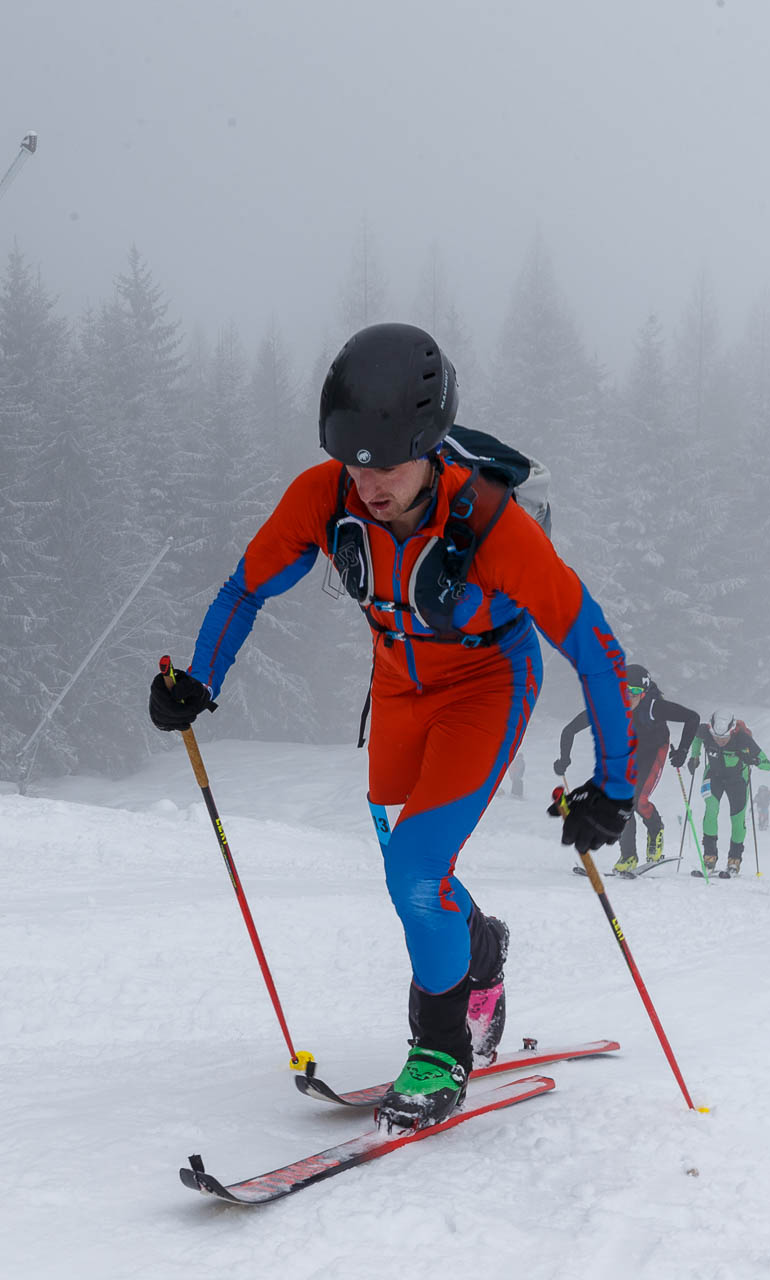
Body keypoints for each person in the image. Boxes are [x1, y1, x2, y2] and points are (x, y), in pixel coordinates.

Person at [149, 323, 635, 1132]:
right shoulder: (325, 496)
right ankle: (483, 953)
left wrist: (613, 786)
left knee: (415, 872)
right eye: (353, 461)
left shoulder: (493, 527)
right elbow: (245, 589)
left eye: (388, 462)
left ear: (432, 442)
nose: (367, 483)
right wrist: (200, 678)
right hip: (400, 690)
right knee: (416, 878)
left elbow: (597, 648)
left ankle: (440, 1050)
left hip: (488, 683)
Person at [554, 663, 698, 873]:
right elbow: (569, 730)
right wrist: (563, 759)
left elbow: (692, 717)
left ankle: (655, 830)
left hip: (654, 750)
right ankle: (628, 855)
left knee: (639, 801)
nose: (628, 697)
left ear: (645, 692)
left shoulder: (654, 706)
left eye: (635, 692)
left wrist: (683, 750)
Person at [686, 713, 770, 877]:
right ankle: (709, 857)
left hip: (738, 780)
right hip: (714, 776)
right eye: (716, 737)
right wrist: (694, 757)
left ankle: (734, 860)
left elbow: (768, 765)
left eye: (724, 737)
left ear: (731, 731)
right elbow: (696, 738)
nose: (720, 741)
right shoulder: (705, 731)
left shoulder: (743, 739)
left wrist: (753, 760)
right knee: (711, 808)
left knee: (737, 819)